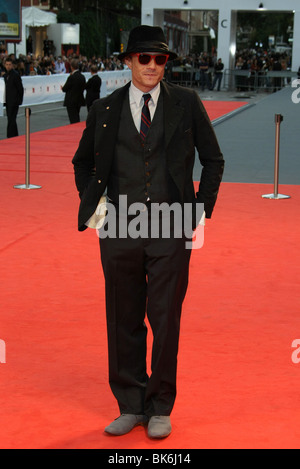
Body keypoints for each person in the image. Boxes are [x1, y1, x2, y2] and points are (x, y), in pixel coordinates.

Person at [72, 26, 224, 439]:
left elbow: (213, 160)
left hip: (171, 226)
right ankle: (129, 404)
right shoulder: (104, 109)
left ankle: (160, 406)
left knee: (165, 319)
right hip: (118, 228)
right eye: (145, 58)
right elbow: (82, 162)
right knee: (122, 318)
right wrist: (96, 211)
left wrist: (198, 211)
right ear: (128, 61)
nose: (153, 66)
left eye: (160, 59)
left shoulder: (186, 103)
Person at [3, 57, 24, 138]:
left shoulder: (15, 75)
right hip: (8, 101)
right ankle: (14, 135)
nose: (8, 66)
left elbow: (20, 88)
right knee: (11, 118)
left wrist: (19, 100)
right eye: (7, 65)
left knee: (11, 119)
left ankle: (10, 135)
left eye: (9, 65)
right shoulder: (5, 76)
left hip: (14, 101)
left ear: (12, 65)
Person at [62, 59, 86, 124]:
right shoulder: (82, 77)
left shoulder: (71, 77)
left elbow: (65, 88)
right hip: (79, 99)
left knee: (73, 118)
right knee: (76, 116)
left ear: (71, 67)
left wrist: (62, 88)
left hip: (71, 100)